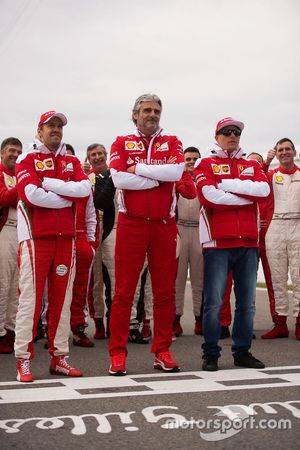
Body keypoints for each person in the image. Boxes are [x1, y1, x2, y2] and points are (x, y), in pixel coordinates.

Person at [108, 93, 184, 375]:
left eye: (156, 110)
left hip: (165, 225)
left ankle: (162, 350)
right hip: (132, 224)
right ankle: (117, 353)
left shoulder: (172, 141)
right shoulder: (121, 141)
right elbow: (118, 178)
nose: (152, 114)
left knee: (164, 292)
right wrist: (157, 177)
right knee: (124, 292)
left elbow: (176, 171)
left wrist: (138, 168)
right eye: (147, 110)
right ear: (135, 114)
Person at [14, 110, 91, 382]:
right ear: (39, 131)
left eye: (59, 126)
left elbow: (85, 190)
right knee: (30, 301)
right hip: (36, 239)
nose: (56, 130)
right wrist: (66, 194)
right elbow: (31, 196)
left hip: (65, 240)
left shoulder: (71, 159)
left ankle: (59, 357)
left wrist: (50, 185)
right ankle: (23, 360)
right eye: (51, 126)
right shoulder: (27, 158)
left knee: (62, 300)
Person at [194, 117, 270, 371]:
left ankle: (242, 351)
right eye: (226, 132)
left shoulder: (250, 164)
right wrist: (244, 194)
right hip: (217, 244)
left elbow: (263, 191)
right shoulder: (206, 163)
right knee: (214, 302)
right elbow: (209, 197)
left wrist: (225, 185)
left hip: (248, 242)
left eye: (236, 132)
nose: (232, 135)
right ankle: (211, 353)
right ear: (217, 137)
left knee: (246, 303)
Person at [261, 138, 300, 340]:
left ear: (294, 152)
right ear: (276, 154)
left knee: (299, 277)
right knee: (277, 278)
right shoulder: (270, 175)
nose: (284, 152)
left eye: (288, 149)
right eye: (280, 150)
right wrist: (266, 162)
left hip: (298, 227)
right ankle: (280, 323)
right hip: (275, 227)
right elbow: (255, 180)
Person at [173, 147, 203, 336]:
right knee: (178, 278)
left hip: (200, 229)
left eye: (195, 159)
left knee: (200, 278)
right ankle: (175, 318)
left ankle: (200, 318)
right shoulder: (178, 179)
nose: (191, 162)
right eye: (188, 158)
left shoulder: (205, 179)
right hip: (180, 228)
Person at [0, 137, 22, 353]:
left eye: (18, 152)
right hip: (4, 229)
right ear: (2, 152)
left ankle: (11, 329)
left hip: (21, 231)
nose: (15, 155)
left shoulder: (18, 175)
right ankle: (0, 333)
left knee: (17, 285)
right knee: (2, 283)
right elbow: (4, 198)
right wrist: (24, 186)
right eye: (11, 151)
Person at [84, 143, 109, 339]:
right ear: (88, 158)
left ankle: (115, 320)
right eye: (93, 155)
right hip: (92, 229)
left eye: (100, 153)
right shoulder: (85, 179)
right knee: (95, 281)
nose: (97, 157)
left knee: (113, 278)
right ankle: (98, 321)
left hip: (112, 228)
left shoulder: (114, 175)